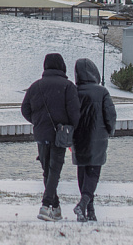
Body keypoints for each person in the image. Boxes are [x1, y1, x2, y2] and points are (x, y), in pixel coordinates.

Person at [21, 53, 80, 221]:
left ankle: (55, 207)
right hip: (60, 135)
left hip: (41, 134)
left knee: (48, 171)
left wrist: (37, 121)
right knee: (54, 171)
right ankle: (46, 205)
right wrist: (70, 127)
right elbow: (75, 113)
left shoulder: (36, 86)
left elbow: (25, 109)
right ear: (62, 66)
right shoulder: (68, 86)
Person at [71, 58, 117, 222]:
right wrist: (110, 130)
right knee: (93, 173)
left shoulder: (74, 91)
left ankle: (89, 210)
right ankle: (83, 205)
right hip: (98, 138)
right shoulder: (102, 92)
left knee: (82, 173)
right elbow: (110, 115)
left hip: (78, 139)